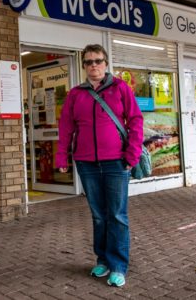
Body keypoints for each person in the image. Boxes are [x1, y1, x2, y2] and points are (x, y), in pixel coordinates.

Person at [55, 44, 143, 287]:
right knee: (98, 215)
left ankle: (118, 265)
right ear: (84, 66)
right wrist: (62, 157)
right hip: (87, 163)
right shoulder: (76, 94)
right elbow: (66, 127)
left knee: (116, 215)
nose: (93, 65)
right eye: (88, 62)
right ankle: (103, 259)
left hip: (116, 162)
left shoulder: (120, 88)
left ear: (105, 64)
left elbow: (135, 120)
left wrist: (131, 155)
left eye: (97, 61)